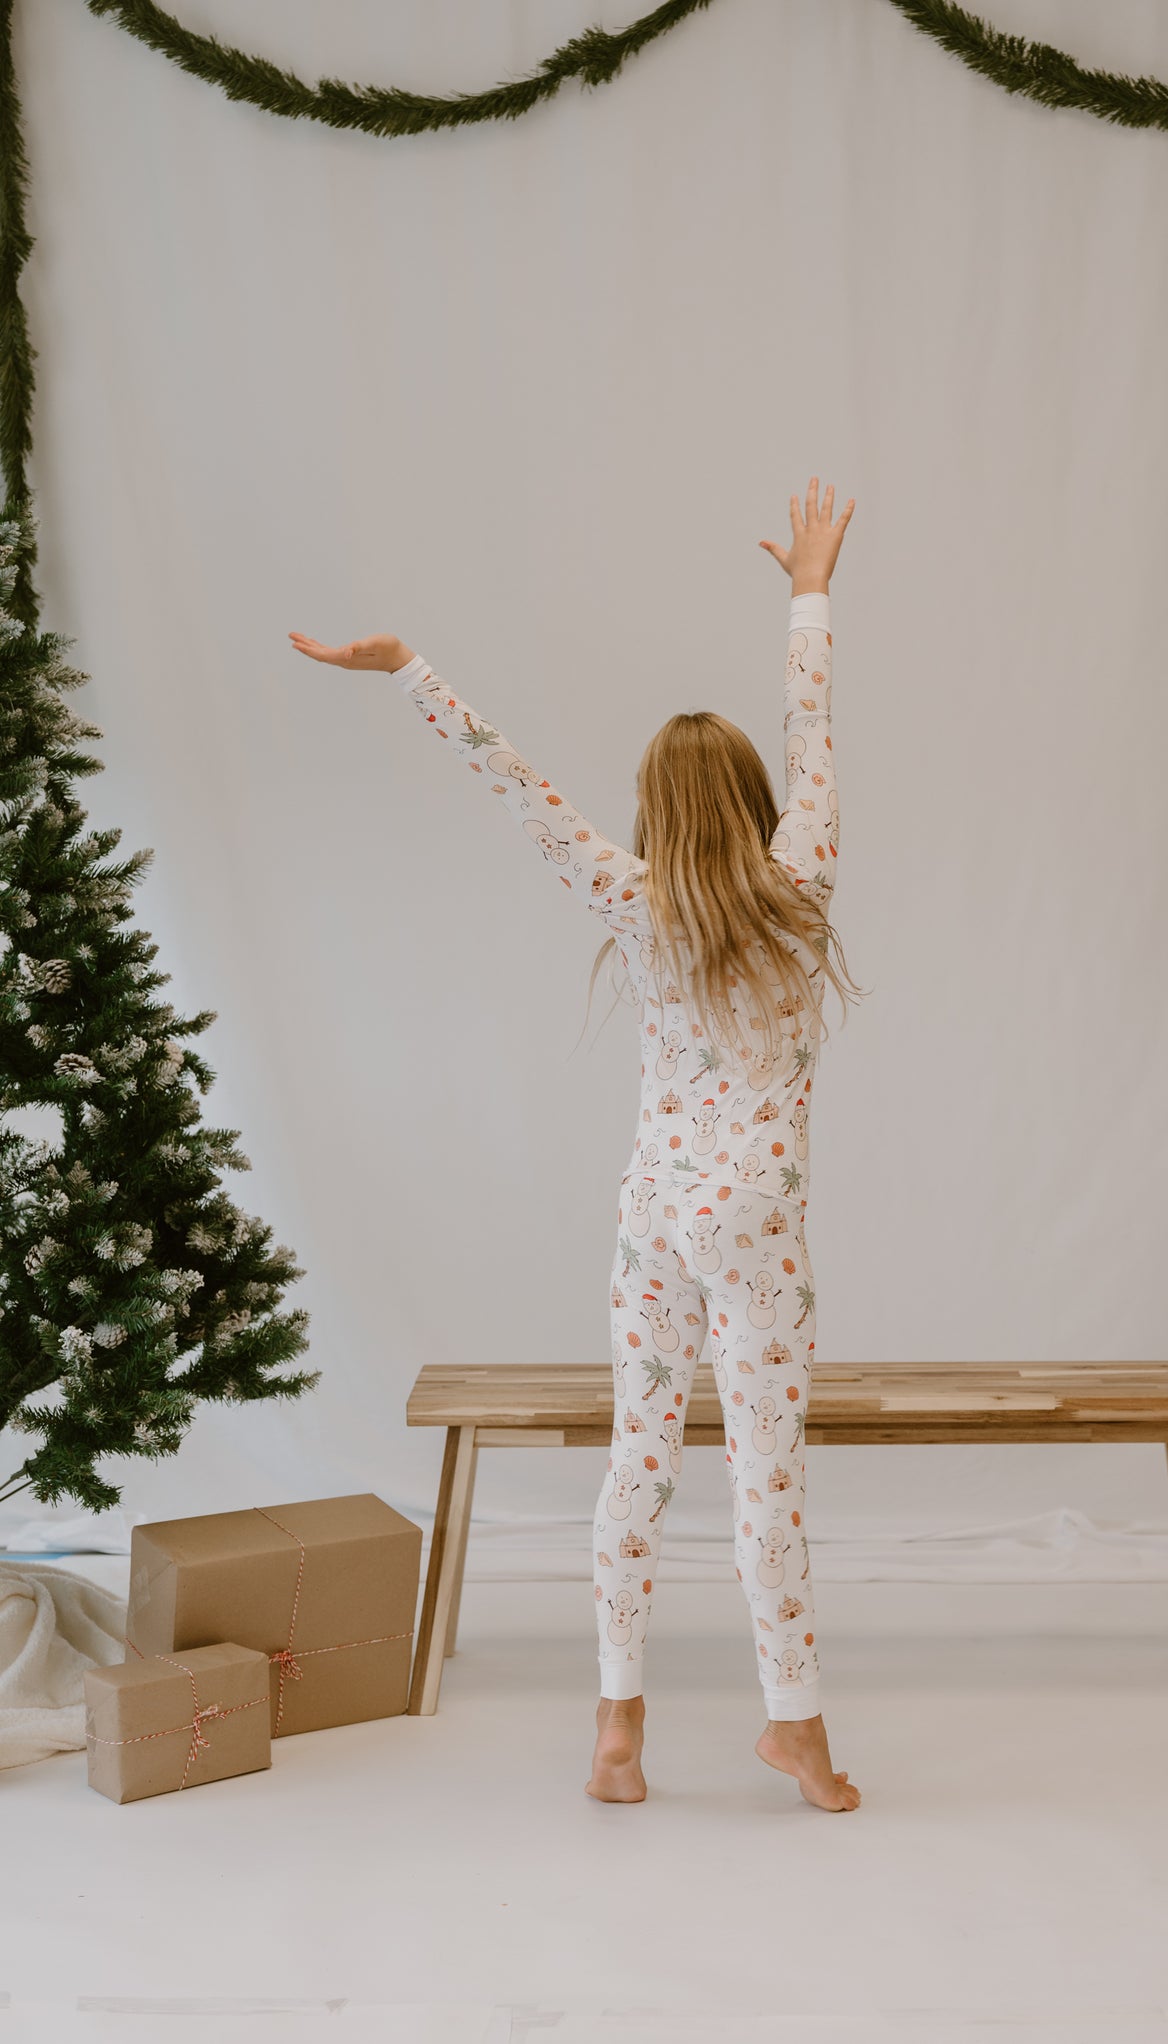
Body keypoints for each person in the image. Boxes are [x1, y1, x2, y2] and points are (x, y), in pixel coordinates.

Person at [290, 477, 861, 1811]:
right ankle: (798, 1734)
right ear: (757, 798)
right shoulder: (806, 882)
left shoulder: (630, 898)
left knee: (637, 1463)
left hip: (653, 1220)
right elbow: (815, 726)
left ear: (654, 810)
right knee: (766, 1486)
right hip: (756, 1236)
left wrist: (410, 671)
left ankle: (616, 1727)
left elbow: (515, 786)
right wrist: (809, 591)